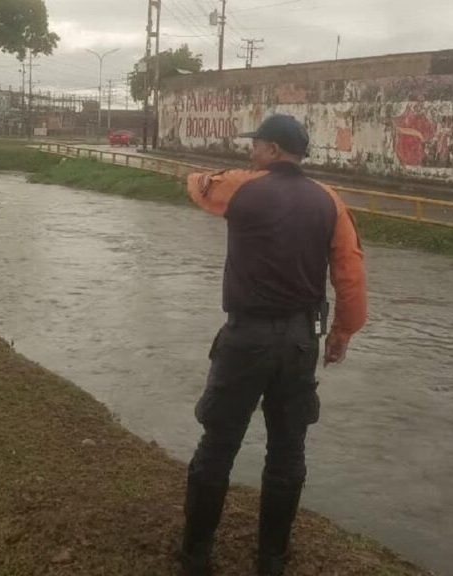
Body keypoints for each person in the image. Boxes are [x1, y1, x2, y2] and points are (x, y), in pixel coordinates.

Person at [180, 114, 368, 575]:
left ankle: (196, 556)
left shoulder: (241, 187)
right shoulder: (330, 202)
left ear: (272, 149)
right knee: (287, 453)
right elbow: (351, 273)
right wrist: (342, 331)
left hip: (246, 338)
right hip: (302, 342)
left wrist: (213, 178)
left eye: (256, 145)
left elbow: (196, 185)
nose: (251, 152)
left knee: (218, 444)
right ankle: (272, 561)